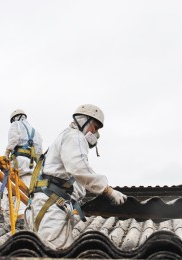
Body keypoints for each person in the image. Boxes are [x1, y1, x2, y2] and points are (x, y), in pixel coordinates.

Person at [29, 104, 127, 249]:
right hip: (51, 207)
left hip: (50, 205)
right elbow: (80, 168)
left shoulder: (66, 136)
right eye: (95, 127)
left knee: (54, 251)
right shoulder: (75, 136)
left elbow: (74, 178)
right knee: (54, 252)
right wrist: (107, 190)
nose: (95, 132)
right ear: (83, 120)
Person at [3, 109, 43, 228]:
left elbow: (14, 139)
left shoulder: (16, 125)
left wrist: (7, 152)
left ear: (14, 118)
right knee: (24, 191)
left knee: (2, 182)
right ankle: (21, 217)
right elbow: (39, 153)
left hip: (18, 161)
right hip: (31, 165)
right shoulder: (36, 133)